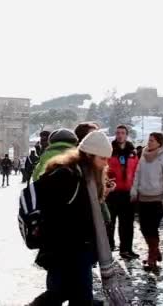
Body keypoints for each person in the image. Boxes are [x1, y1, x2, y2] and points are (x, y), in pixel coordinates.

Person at [34, 131, 125, 305]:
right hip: (63, 248)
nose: (106, 163)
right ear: (89, 155)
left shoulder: (88, 175)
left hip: (80, 247)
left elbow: (85, 206)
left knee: (74, 295)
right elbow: (53, 210)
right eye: (102, 159)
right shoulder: (66, 174)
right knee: (60, 294)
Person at [131, 132, 163, 272]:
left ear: (159, 143)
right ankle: (155, 251)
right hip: (143, 198)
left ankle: (152, 259)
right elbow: (137, 175)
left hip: (157, 199)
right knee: (144, 228)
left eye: (152, 140)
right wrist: (134, 190)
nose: (149, 143)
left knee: (152, 228)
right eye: (149, 140)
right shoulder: (143, 156)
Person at [107, 125, 139, 259]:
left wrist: (136, 189)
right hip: (112, 192)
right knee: (110, 223)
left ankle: (126, 249)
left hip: (127, 192)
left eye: (122, 133)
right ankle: (108, 249)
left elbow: (137, 171)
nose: (120, 135)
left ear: (127, 135)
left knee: (127, 224)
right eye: (117, 132)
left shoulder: (133, 152)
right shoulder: (109, 150)